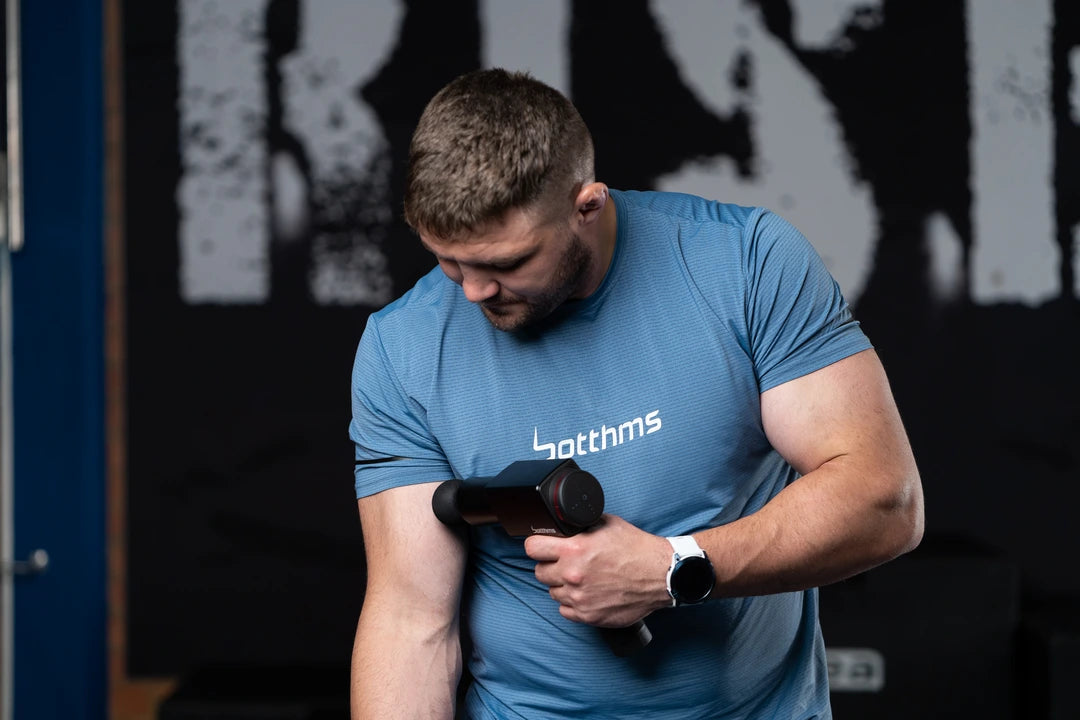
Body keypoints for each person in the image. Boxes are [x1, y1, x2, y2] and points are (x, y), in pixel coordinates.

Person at [348, 68, 923, 719]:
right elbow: (410, 621)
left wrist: (671, 569)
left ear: (587, 206)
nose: (474, 291)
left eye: (506, 264)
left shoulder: (743, 264)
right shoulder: (404, 347)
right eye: (449, 262)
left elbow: (883, 499)